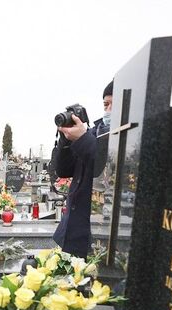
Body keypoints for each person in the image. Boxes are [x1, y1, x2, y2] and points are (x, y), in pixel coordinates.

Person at [51, 81, 113, 258]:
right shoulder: (94, 133)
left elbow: (105, 166)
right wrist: (66, 139)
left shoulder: (127, 136)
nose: (108, 110)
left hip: (96, 230)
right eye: (105, 104)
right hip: (72, 230)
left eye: (113, 104)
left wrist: (82, 139)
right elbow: (63, 170)